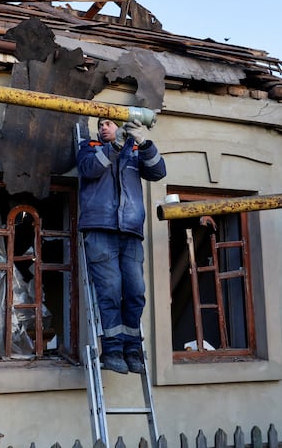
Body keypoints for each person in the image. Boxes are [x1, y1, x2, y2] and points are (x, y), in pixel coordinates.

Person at [77, 117, 167, 374]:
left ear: (120, 127)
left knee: (136, 291)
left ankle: (131, 348)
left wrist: (145, 143)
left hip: (130, 231)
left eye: (108, 123)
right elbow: (89, 170)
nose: (103, 127)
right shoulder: (89, 147)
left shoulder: (134, 152)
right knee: (110, 289)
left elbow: (158, 172)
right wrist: (114, 147)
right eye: (101, 124)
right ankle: (113, 349)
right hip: (100, 229)